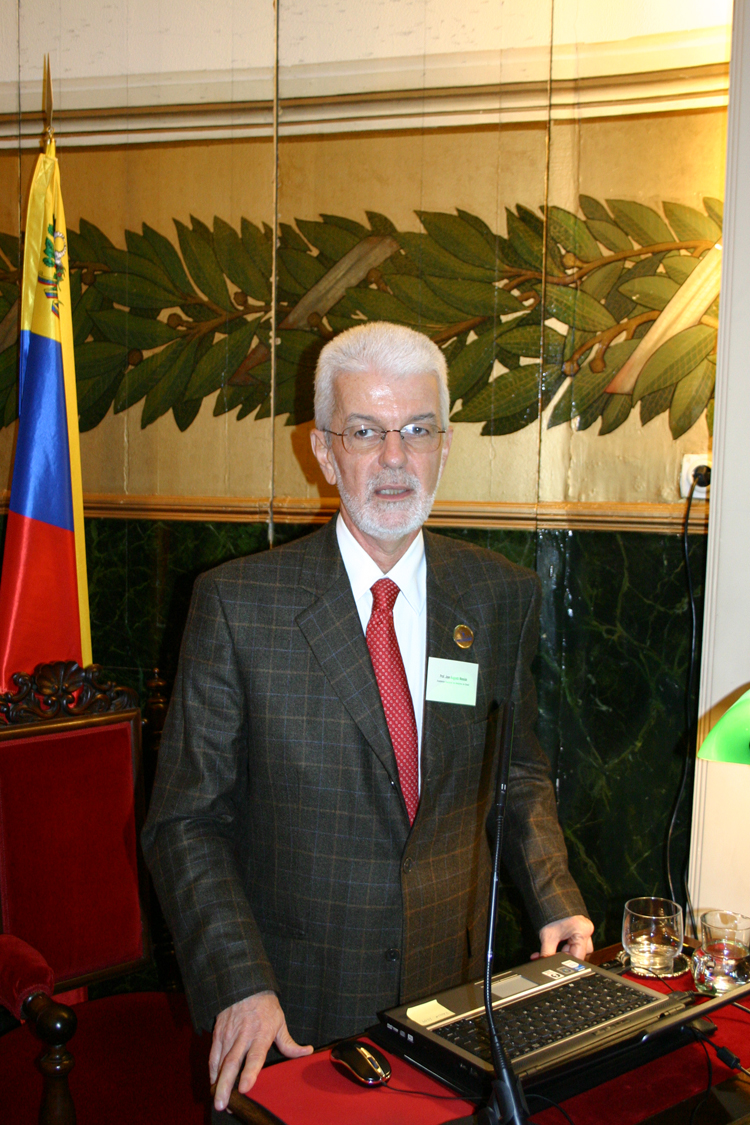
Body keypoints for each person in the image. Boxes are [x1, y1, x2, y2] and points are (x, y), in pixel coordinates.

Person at [142, 321, 593, 1116]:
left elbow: (516, 769)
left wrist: (555, 894)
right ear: (323, 450)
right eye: (365, 431)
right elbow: (186, 822)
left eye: (417, 430)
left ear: (444, 446)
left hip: (454, 1007)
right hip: (292, 1015)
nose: (394, 457)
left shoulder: (500, 595)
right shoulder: (239, 605)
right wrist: (238, 981)